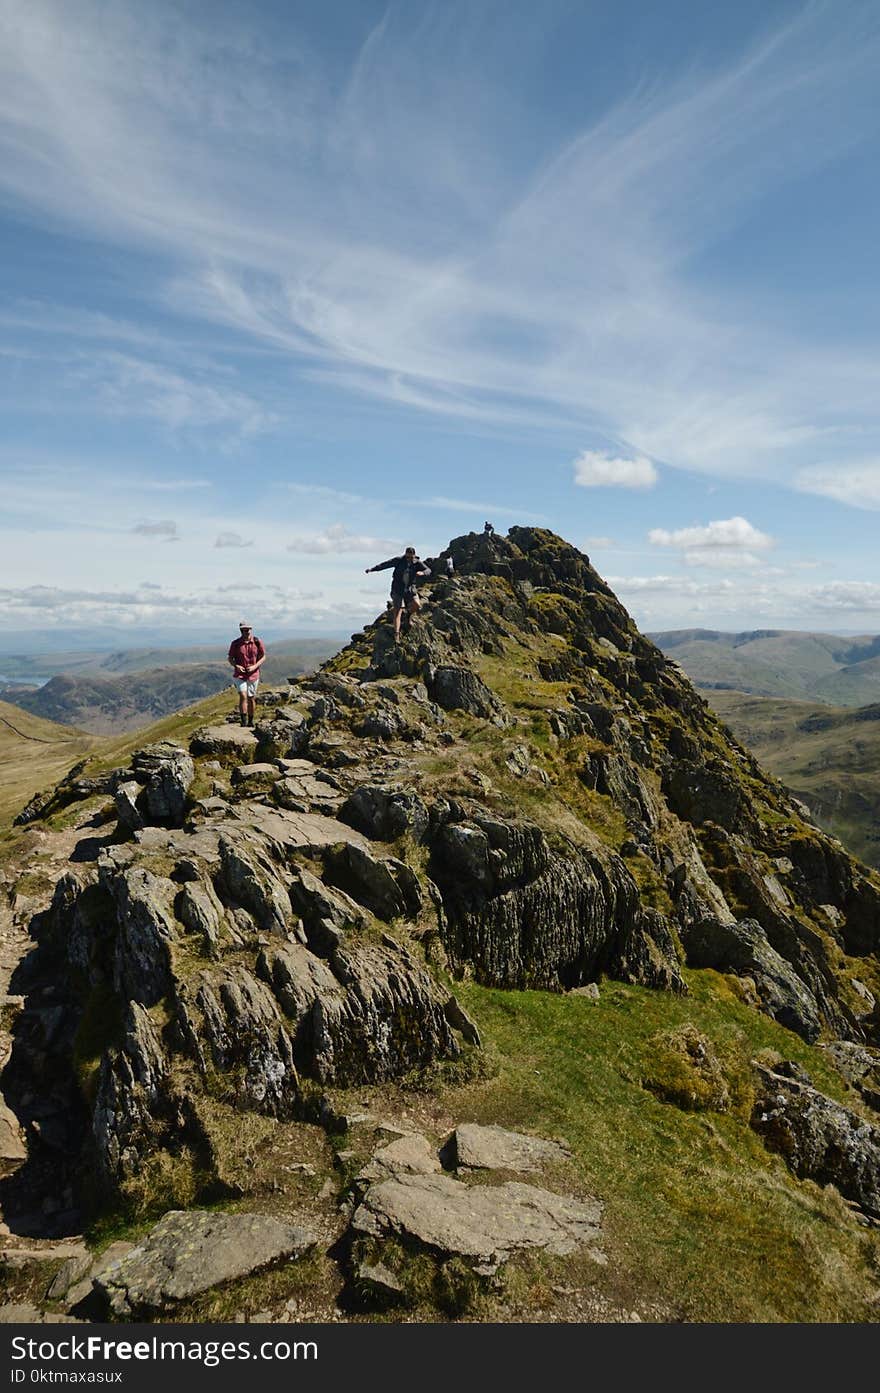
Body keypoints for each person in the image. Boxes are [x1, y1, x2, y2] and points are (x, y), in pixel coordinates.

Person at [365, 547, 431, 642]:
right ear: (405, 555)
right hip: (397, 589)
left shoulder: (417, 562)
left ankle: (408, 616)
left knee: (417, 605)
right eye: (407, 557)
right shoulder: (398, 560)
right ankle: (396, 634)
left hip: (410, 589)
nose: (409, 559)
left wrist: (423, 572)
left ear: (414, 556)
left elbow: (428, 570)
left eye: (411, 558)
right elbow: (385, 565)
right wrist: (372, 569)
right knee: (398, 610)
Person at [227, 622, 265, 727]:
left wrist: (254, 666)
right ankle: (243, 721)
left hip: (253, 674)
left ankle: (251, 721)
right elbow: (230, 658)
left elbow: (263, 656)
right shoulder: (235, 643)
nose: (246, 631)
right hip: (240, 675)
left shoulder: (257, 642)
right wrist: (236, 666)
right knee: (243, 695)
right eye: (243, 630)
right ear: (240, 631)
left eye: (247, 629)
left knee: (251, 697)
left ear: (251, 629)